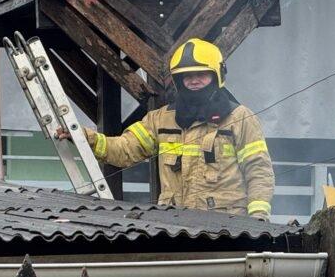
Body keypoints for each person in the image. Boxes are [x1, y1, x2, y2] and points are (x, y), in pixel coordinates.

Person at [56, 38, 275, 220]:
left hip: (228, 229)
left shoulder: (241, 118)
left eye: (201, 74)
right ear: (178, 81)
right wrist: (85, 137)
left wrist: (257, 220)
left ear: (217, 75)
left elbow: (259, 171)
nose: (194, 81)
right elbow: (124, 150)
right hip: (175, 228)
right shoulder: (161, 120)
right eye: (187, 76)